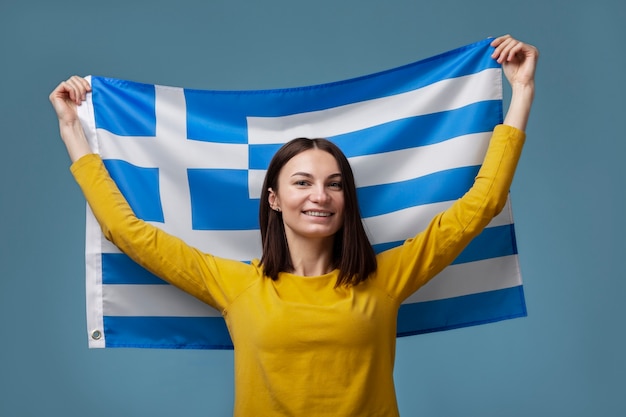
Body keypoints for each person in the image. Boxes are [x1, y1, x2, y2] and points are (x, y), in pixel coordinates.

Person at [50, 34, 538, 417]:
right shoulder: (236, 285)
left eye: (334, 184)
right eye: (302, 182)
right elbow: (125, 231)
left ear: (347, 200)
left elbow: (483, 202)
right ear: (274, 199)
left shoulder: (386, 279)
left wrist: (521, 92)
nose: (319, 196)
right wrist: (73, 127)